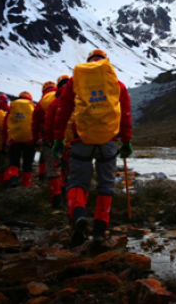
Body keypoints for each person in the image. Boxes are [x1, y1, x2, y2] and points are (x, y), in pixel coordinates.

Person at [53, 50, 133, 246]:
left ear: (88, 62)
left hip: (81, 139)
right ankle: (99, 230)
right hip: (109, 140)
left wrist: (57, 138)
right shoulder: (116, 83)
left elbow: (63, 111)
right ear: (106, 62)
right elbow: (125, 114)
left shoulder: (76, 80)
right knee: (105, 184)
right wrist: (126, 140)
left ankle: (79, 216)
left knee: (77, 182)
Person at [43, 75, 70, 208]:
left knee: (54, 168)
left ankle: (56, 199)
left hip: (56, 141)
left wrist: (49, 139)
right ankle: (71, 199)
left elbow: (48, 124)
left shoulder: (54, 103)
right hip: (73, 141)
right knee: (69, 168)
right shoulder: (78, 97)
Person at [2, 91, 36, 189]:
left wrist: (6, 140)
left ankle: (14, 179)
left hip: (15, 140)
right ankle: (26, 186)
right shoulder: (33, 107)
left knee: (14, 162)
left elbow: (5, 125)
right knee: (28, 164)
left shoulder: (13, 107)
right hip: (30, 141)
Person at [32, 81, 57, 182]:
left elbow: (35, 124)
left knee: (52, 165)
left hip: (49, 138)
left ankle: (54, 193)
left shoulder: (41, 102)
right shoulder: (64, 96)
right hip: (67, 137)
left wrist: (35, 140)